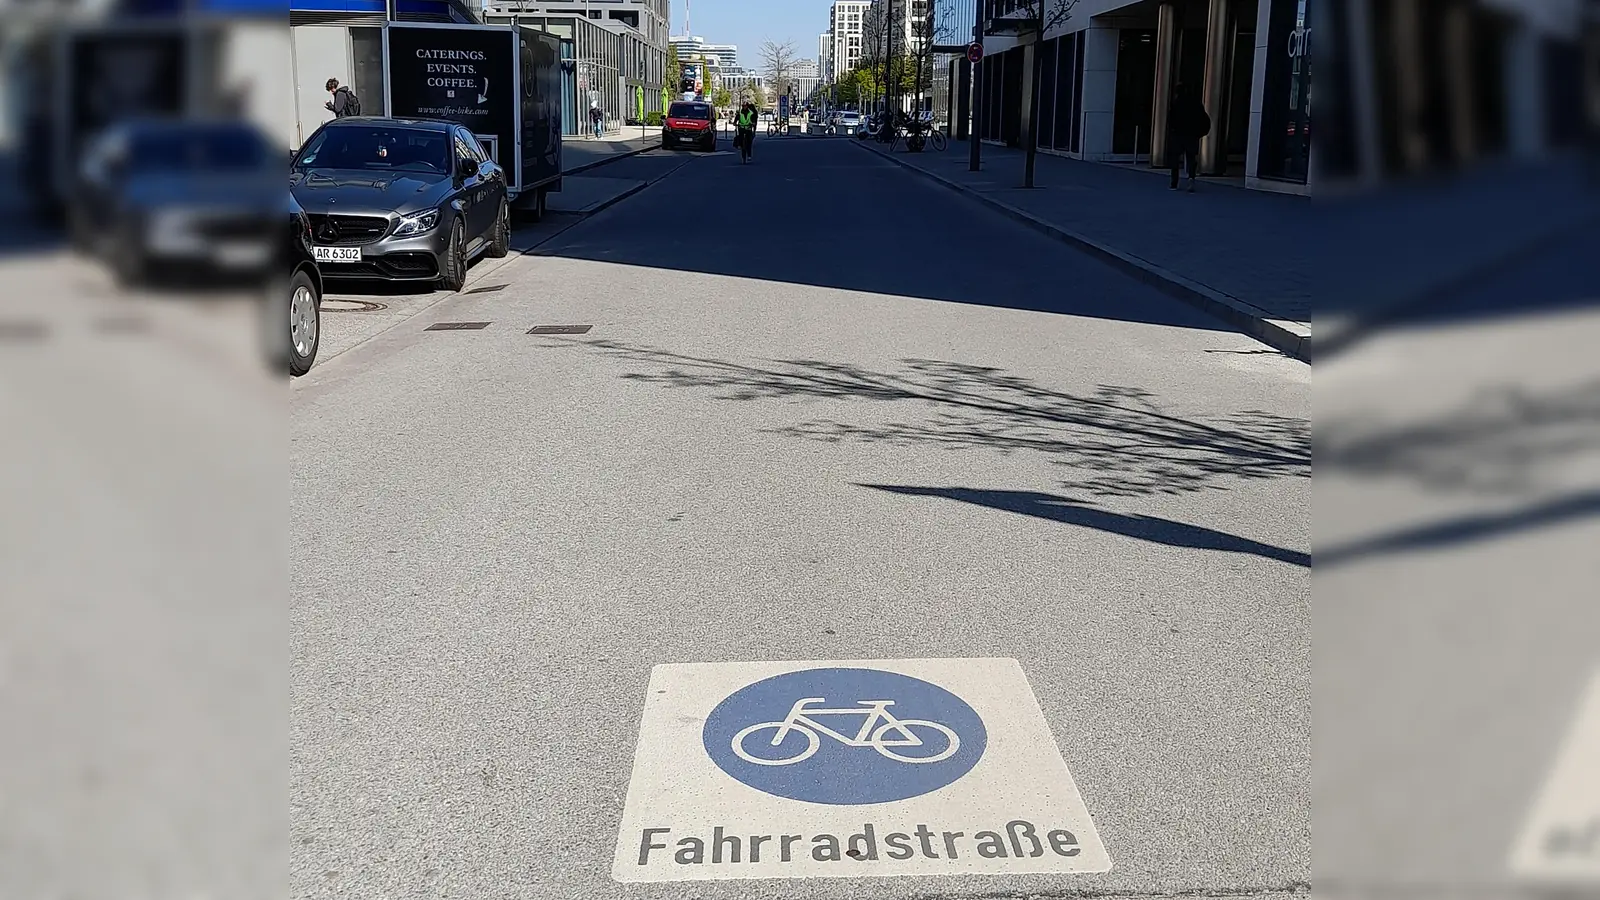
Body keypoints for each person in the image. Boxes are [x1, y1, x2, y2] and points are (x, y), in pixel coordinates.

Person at [1167, 82, 1209, 192]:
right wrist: (1200, 133)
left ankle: (1174, 182)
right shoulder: (1196, 103)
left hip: (1179, 134)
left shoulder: (1176, 103)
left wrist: (1172, 131)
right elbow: (1204, 119)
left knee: (1175, 159)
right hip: (1192, 135)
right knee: (1191, 158)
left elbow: (1171, 119)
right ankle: (1191, 178)